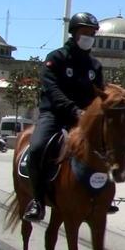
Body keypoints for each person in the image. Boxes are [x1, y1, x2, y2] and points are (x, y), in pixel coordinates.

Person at [23, 12, 117, 221]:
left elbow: (99, 94)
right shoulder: (56, 58)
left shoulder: (94, 66)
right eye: (85, 33)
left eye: (93, 34)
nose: (89, 37)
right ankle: (37, 201)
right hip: (55, 115)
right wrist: (74, 110)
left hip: (83, 119)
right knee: (38, 148)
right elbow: (53, 91)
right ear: (74, 33)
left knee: (108, 146)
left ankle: (105, 195)